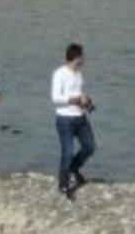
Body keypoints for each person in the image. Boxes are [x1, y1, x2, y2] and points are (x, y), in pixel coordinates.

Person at [51, 43, 96, 201]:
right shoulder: (60, 74)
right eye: (82, 56)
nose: (84, 59)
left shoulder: (78, 74)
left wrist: (86, 100)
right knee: (67, 152)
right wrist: (76, 99)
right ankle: (63, 186)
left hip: (81, 117)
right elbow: (56, 99)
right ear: (76, 57)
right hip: (65, 119)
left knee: (90, 147)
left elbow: (78, 92)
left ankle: (73, 169)